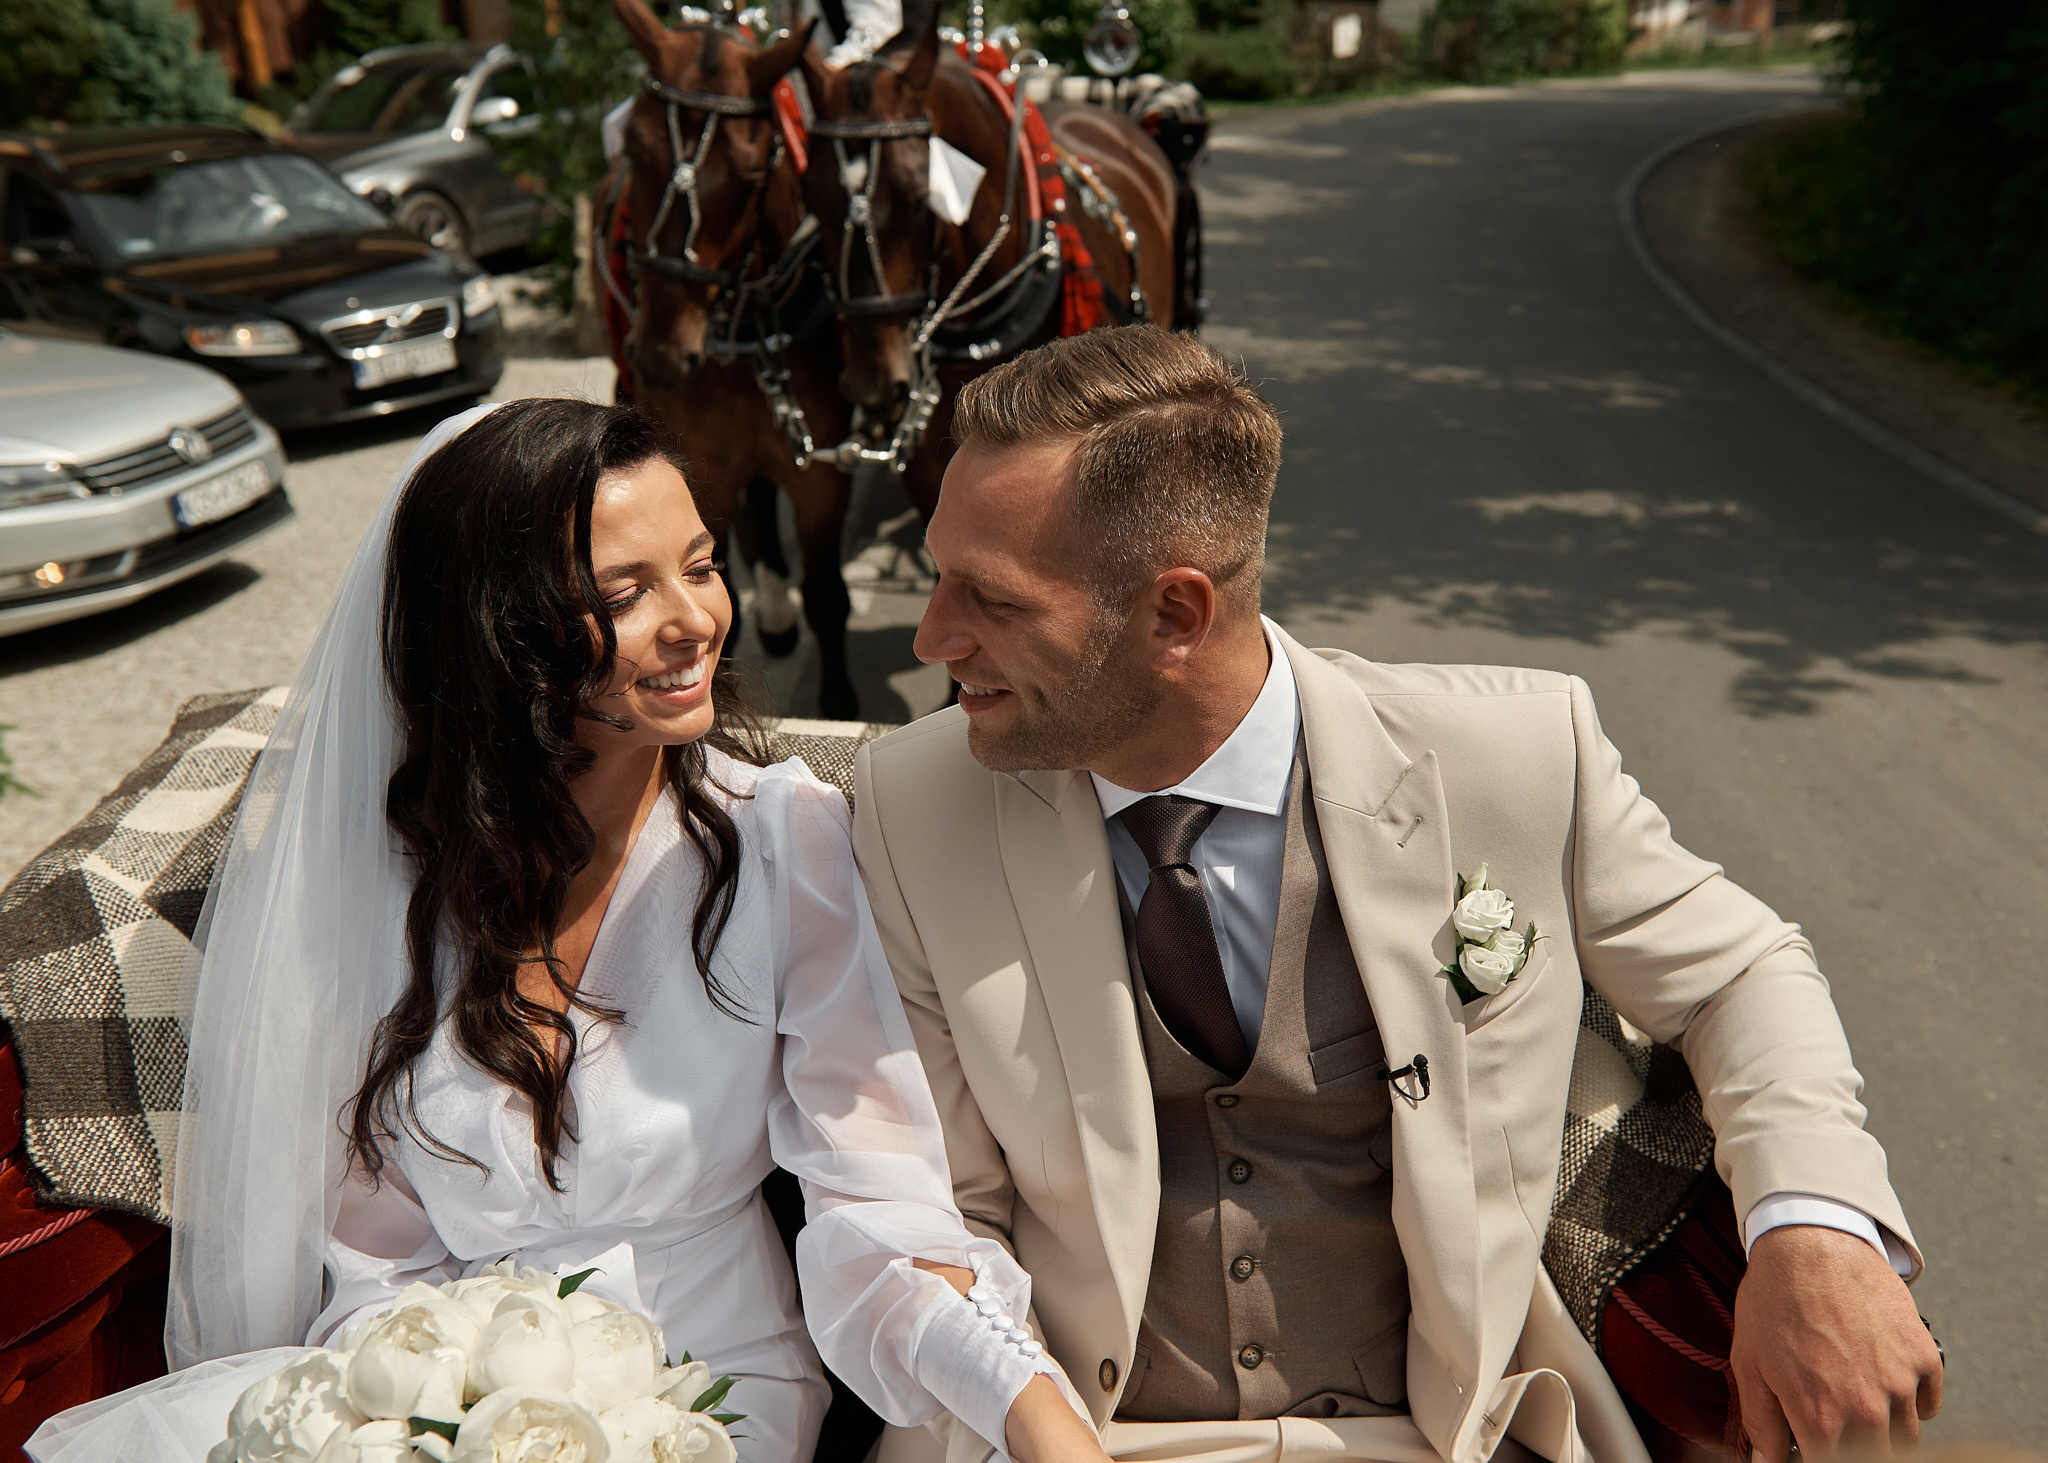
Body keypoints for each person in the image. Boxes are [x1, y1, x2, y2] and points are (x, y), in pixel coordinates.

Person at [848, 327, 1944, 1463]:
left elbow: (1739, 971)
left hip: (1451, 1432)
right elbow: (942, 1211)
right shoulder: (910, 806)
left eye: (993, 600)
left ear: (1175, 615)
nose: (933, 636)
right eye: (936, 575)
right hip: (1079, 1433)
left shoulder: (1513, 754)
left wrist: (1812, 1229)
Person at [26, 399, 1109, 1463]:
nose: (692, 618)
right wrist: (422, 1417)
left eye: (699, 563)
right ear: (504, 625)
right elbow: (369, 1261)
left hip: (717, 1390)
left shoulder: (787, 840)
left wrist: (1038, 1417)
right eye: (626, 591)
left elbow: (879, 1215)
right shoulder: (382, 871)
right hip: (436, 1382)